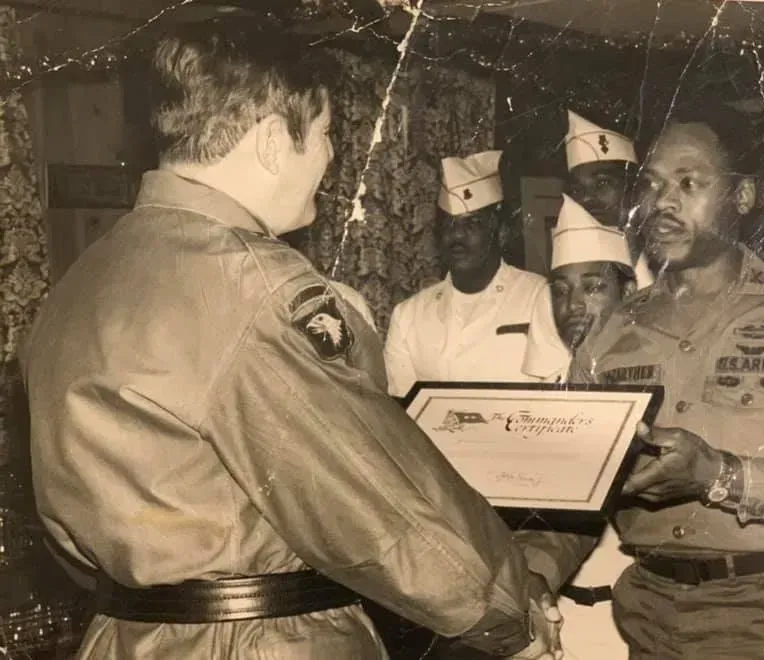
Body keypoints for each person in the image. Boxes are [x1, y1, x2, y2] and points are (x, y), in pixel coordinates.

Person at [19, 18, 561, 660]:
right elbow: (372, 494)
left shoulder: (79, 282)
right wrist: (507, 612)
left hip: (124, 635)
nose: (331, 158)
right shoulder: (257, 286)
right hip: (260, 639)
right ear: (276, 140)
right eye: (328, 134)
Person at [563, 103, 764, 659]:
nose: (662, 203)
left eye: (688, 183)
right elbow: (571, 493)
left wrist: (721, 474)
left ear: (741, 198)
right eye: (651, 184)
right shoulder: (607, 335)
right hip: (650, 620)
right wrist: (530, 574)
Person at [539, 193, 636, 658]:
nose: (572, 304)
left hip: (632, 624)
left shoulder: (658, 389)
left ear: (629, 294)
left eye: (593, 286)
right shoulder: (535, 388)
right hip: (559, 616)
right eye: (559, 289)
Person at [383, 150, 545, 398]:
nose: (457, 236)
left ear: (500, 232)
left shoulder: (538, 297)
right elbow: (401, 415)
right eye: (449, 224)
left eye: (473, 224)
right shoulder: (408, 316)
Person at [522, 111, 654, 383]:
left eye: (603, 183)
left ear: (635, 188)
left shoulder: (672, 268)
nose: (588, 199)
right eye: (578, 189)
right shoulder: (558, 294)